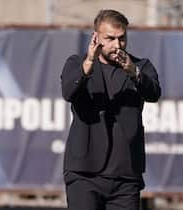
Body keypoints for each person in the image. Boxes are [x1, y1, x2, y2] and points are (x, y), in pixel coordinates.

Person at [61, 9, 161, 210]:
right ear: (96, 37)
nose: (117, 45)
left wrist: (134, 72)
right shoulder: (77, 63)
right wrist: (88, 63)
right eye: (111, 38)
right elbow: (68, 92)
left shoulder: (141, 66)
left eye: (122, 38)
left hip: (125, 176)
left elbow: (154, 93)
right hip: (85, 173)